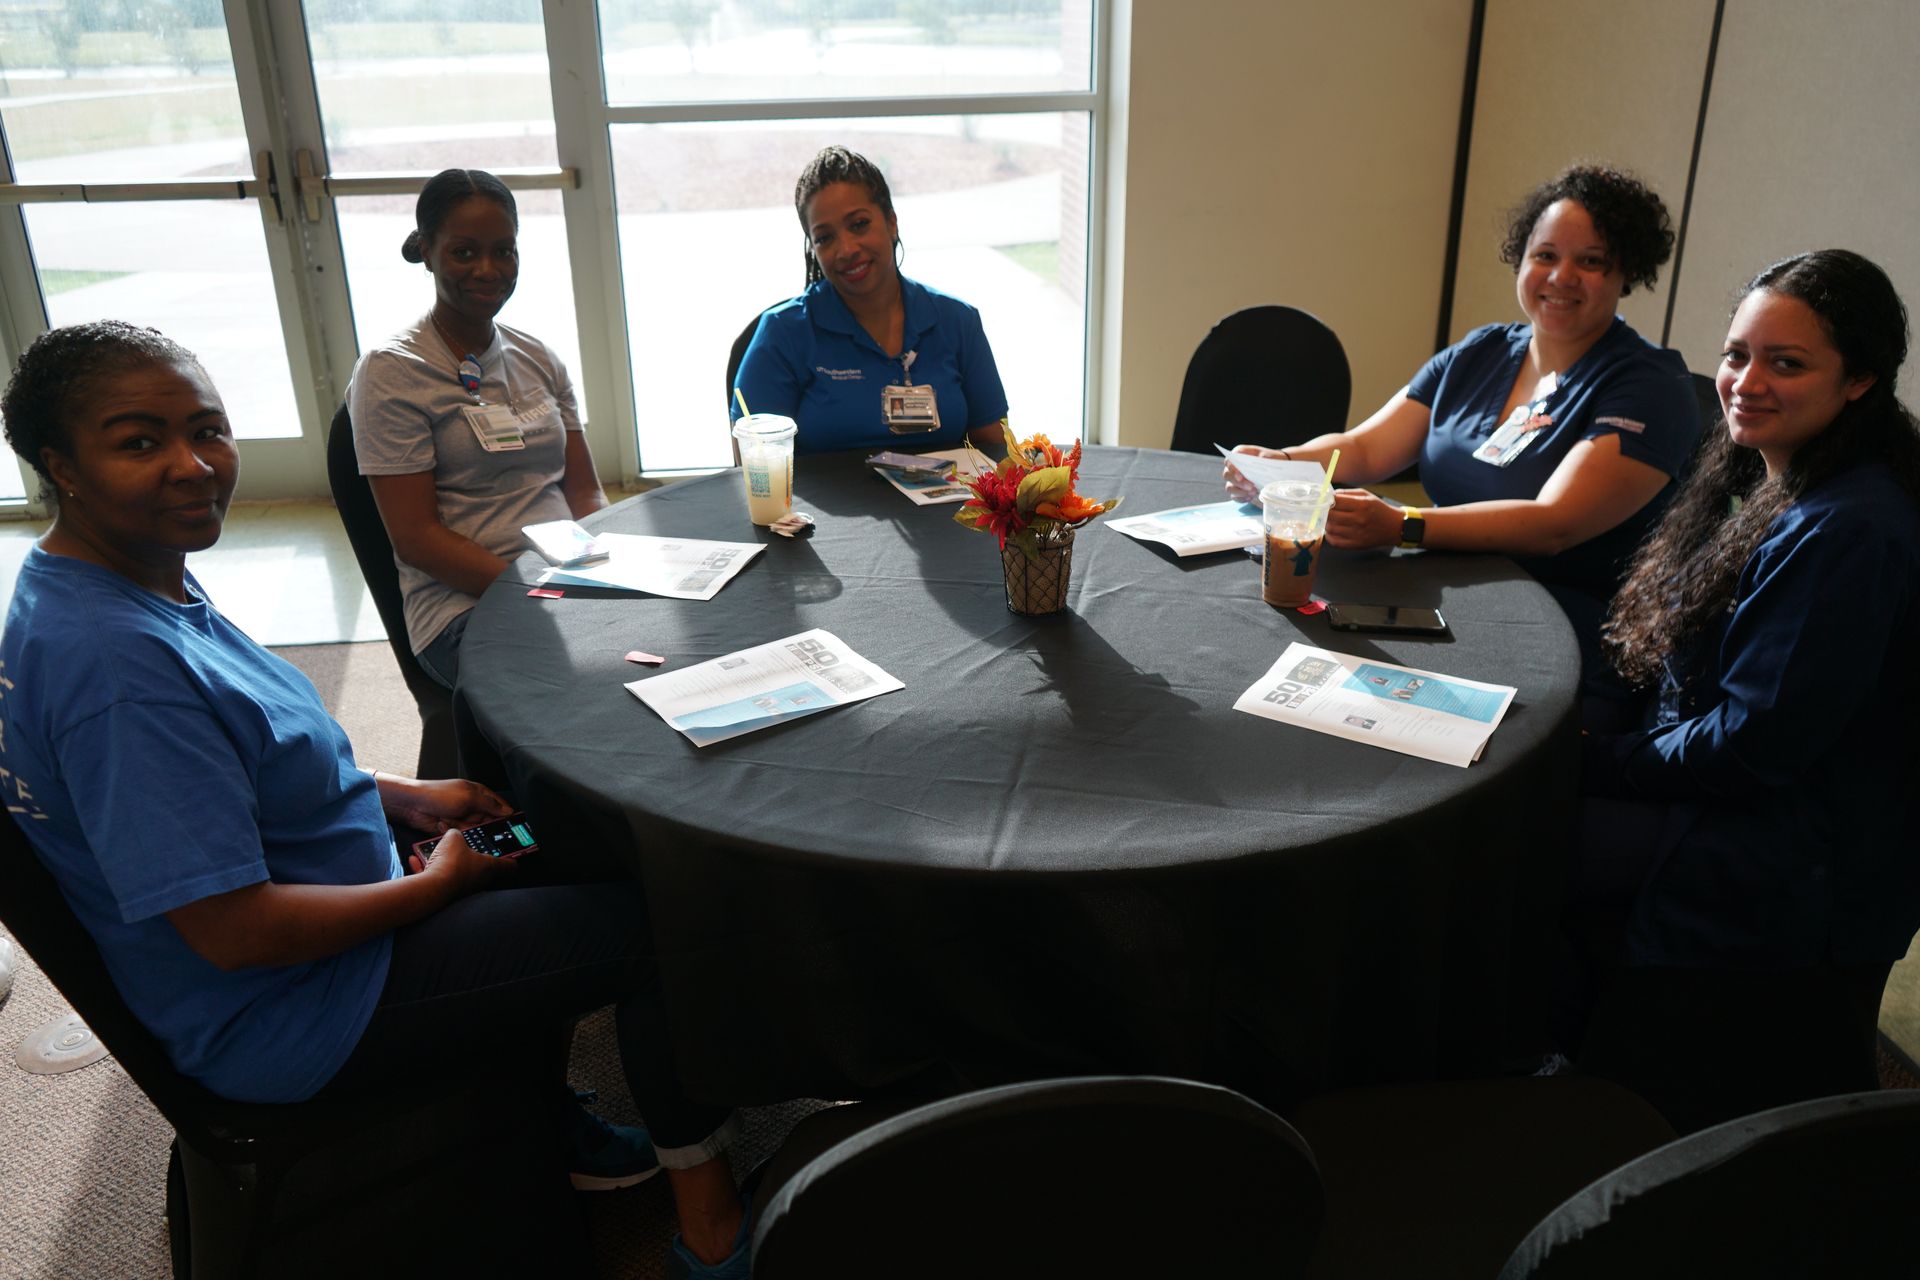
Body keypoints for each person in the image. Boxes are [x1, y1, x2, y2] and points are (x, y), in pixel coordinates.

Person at [1, 322, 752, 1278]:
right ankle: (712, 1222)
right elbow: (235, 931)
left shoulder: (114, 583)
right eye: (139, 441)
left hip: (354, 898)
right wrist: (437, 887)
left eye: (208, 429)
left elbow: (245, 765)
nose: (195, 466)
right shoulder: (115, 669)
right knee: (653, 922)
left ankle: (538, 1107)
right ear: (60, 465)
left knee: (557, 830)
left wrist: (392, 794)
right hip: (309, 1002)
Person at [1572, 250, 1920, 1128]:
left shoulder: (1852, 527)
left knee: (1534, 834)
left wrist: (1607, 762)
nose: (1744, 383)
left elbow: (1755, 740)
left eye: (1786, 363)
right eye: (1736, 354)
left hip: (1795, 848)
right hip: (1737, 792)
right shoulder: (1765, 471)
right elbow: (1675, 647)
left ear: (1860, 381)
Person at [1225, 164, 1700, 669]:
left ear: (1627, 273)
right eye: (1545, 255)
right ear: (1520, 260)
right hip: (1444, 590)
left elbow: (1552, 525)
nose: (1562, 276)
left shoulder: (1650, 388)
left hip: (1569, 626)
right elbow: (1366, 448)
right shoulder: (1482, 351)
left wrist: (1404, 526)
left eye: (1591, 261)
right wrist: (1282, 462)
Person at [350, 168, 607, 691]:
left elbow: (583, 490)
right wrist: (535, 589)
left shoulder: (538, 357)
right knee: (588, 693)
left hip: (563, 582)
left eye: (504, 251)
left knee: (681, 642)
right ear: (427, 252)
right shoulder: (391, 371)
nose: (488, 270)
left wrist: (605, 566)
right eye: (464, 253)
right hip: (462, 610)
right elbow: (417, 538)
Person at [730, 145, 1009, 453]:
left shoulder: (958, 322)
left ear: (891, 222)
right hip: (816, 504)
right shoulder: (783, 333)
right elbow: (757, 472)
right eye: (825, 238)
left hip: (950, 502)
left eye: (859, 224)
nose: (846, 249)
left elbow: (994, 453)